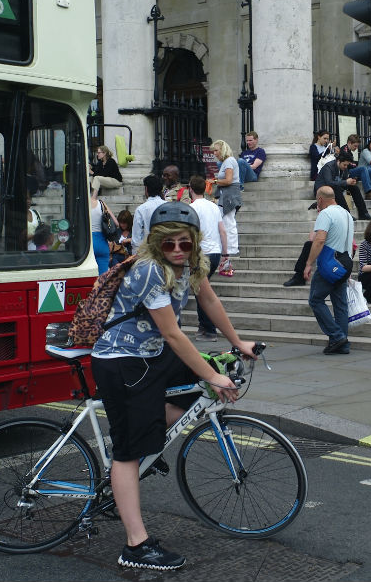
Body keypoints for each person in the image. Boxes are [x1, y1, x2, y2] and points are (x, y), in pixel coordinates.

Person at [90, 201, 255, 571]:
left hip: (153, 353)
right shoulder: (149, 270)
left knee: (198, 394)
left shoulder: (193, 264)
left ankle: (148, 438)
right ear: (156, 243)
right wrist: (212, 375)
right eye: (169, 243)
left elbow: (208, 298)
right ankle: (135, 546)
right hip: (123, 360)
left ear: (194, 241)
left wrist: (237, 342)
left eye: (185, 242)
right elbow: (173, 334)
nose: (178, 250)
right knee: (128, 453)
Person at [303, 186, 355, 354]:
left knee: (315, 300)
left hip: (329, 263)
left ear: (320, 199)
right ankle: (342, 345)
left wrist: (309, 263)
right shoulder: (346, 214)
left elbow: (319, 240)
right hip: (345, 262)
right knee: (340, 304)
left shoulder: (325, 214)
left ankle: (337, 336)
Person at [187, 175, 228, 343]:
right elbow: (223, 231)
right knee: (201, 291)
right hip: (215, 252)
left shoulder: (192, 208)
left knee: (202, 293)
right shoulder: (213, 206)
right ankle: (205, 327)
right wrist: (225, 254)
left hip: (202, 253)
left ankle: (209, 329)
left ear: (190, 189)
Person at [315, 152, 371, 221]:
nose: (346, 167)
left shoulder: (344, 169)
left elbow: (342, 182)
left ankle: (363, 213)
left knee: (354, 188)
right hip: (322, 190)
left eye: (347, 165)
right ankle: (346, 214)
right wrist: (346, 182)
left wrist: (350, 182)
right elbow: (329, 183)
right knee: (336, 188)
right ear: (338, 161)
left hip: (334, 188)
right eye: (344, 165)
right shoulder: (328, 167)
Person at [209, 139, 241, 263]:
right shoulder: (226, 162)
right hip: (226, 194)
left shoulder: (229, 161)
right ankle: (229, 248)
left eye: (216, 150)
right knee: (226, 221)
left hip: (230, 195)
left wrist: (215, 181)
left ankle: (232, 249)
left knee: (229, 222)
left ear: (223, 150)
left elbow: (228, 180)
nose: (214, 153)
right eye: (213, 151)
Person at [131, 175, 166, 254]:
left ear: (146, 189)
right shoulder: (168, 206)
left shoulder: (141, 209)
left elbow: (136, 239)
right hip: (166, 250)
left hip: (148, 252)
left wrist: (136, 255)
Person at [341, 134, 371, 198]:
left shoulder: (349, 151)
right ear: (349, 143)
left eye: (357, 146)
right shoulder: (344, 150)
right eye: (355, 146)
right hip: (347, 172)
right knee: (363, 168)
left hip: (351, 170)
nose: (356, 148)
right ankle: (369, 191)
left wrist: (355, 165)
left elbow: (352, 163)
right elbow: (348, 164)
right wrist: (356, 165)